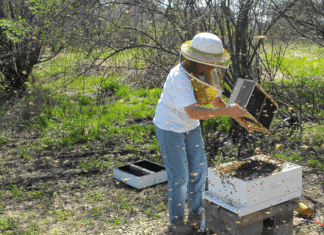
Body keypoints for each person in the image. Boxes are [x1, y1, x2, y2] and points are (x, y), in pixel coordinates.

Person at [153, 32, 252, 235]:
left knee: (199, 170)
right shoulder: (179, 77)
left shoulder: (209, 73)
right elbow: (194, 111)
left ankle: (197, 211)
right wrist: (227, 111)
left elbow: (216, 102)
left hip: (190, 126)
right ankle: (176, 222)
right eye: (208, 62)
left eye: (214, 62)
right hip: (169, 126)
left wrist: (239, 117)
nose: (211, 66)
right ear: (195, 60)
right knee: (179, 176)